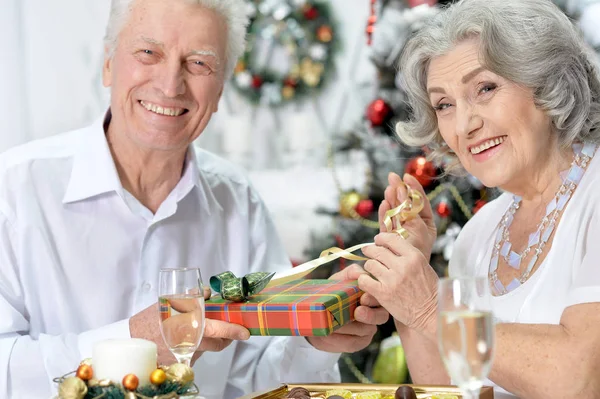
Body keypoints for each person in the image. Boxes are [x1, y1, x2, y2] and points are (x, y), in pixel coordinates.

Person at [0, 0, 389, 398]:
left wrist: (313, 341)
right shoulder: (13, 190)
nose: (171, 85)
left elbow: (255, 375)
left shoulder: (238, 200)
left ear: (220, 90)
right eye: (148, 53)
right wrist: (136, 342)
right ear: (108, 64)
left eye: (199, 64)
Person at [356, 0, 600, 398]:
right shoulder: (479, 234)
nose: (465, 124)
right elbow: (452, 389)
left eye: (485, 88)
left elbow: (581, 379)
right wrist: (411, 281)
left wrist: (432, 309)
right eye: (444, 105)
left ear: (547, 82)